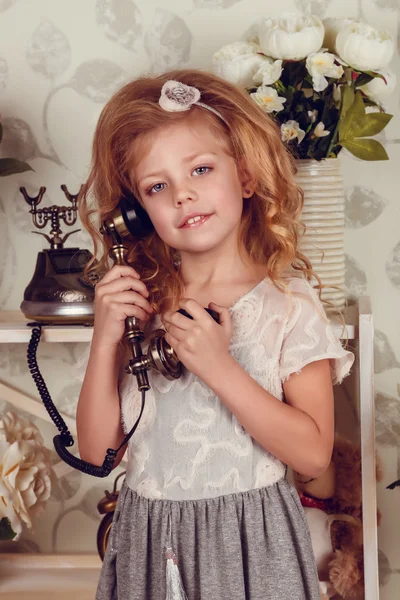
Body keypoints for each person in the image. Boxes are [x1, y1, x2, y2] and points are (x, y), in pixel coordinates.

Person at [75, 69, 354, 600]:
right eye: (158, 187)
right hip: (149, 543)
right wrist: (104, 338)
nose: (184, 196)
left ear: (245, 177)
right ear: (136, 212)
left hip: (252, 543)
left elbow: (314, 458)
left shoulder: (288, 307)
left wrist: (219, 367)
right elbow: (96, 453)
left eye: (201, 169)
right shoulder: (139, 307)